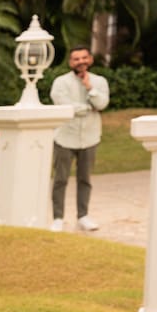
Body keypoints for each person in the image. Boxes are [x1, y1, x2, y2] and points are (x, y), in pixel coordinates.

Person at [50, 46, 110, 232]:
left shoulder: (99, 82)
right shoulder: (60, 82)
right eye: (76, 59)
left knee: (85, 179)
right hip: (65, 137)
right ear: (70, 62)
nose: (81, 62)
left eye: (84, 58)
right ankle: (58, 218)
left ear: (90, 60)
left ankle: (83, 216)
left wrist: (90, 88)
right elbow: (64, 106)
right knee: (60, 179)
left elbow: (101, 104)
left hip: (90, 137)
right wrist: (87, 108)